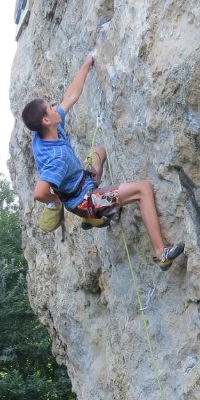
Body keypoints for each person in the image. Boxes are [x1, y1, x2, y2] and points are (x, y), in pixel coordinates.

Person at [21, 54, 185, 269]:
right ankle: (160, 252)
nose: (55, 107)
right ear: (45, 120)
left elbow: (70, 96)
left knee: (99, 151)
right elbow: (39, 192)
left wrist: (86, 65)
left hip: (82, 186)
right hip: (86, 200)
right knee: (143, 189)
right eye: (50, 108)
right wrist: (56, 201)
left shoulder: (49, 130)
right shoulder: (55, 158)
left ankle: (94, 216)